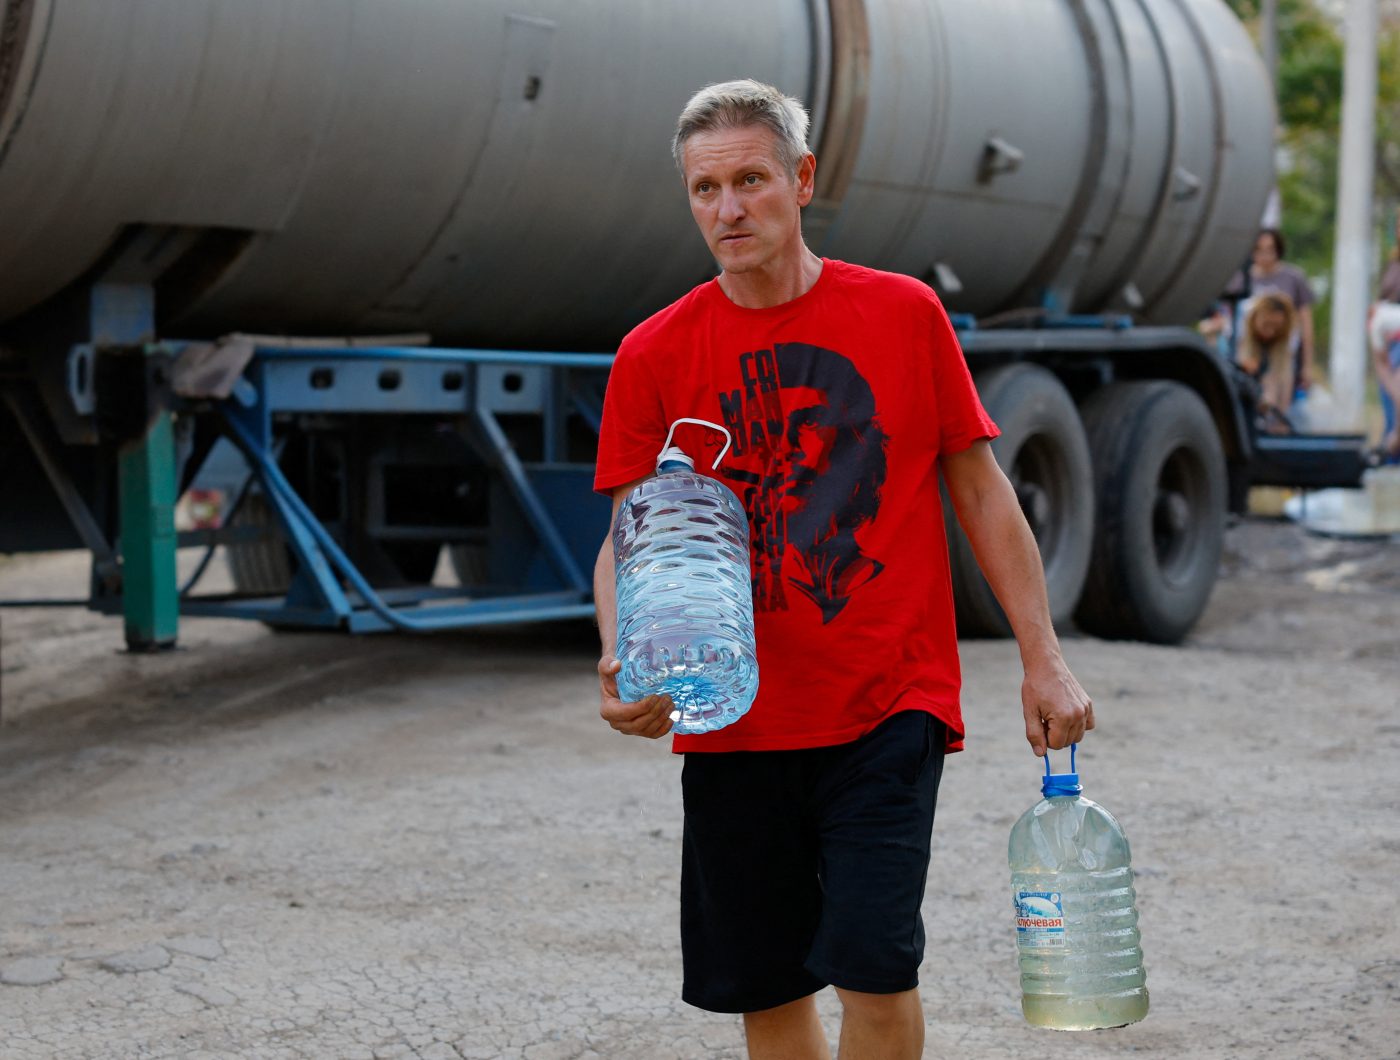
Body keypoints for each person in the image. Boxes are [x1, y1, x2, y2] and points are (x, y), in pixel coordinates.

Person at [590, 79, 1092, 1060]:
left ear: (801, 178)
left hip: (884, 699)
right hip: (730, 715)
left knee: (872, 961)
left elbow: (983, 495)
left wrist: (1043, 656)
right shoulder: (653, 353)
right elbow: (628, 535)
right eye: (704, 190)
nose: (727, 210)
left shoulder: (902, 316)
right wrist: (621, 652)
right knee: (766, 985)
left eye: (749, 180)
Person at [1248, 228, 1317, 393]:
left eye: (1270, 250)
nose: (1264, 256)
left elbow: (1306, 323)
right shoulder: (1243, 278)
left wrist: (1307, 365)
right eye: (1259, 250)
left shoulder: (1293, 278)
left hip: (1283, 350)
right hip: (1252, 348)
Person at [1236, 292, 1300, 433]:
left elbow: (1282, 371)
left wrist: (1280, 413)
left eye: (1276, 327)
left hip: (1273, 367)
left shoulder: (1290, 335)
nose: (1270, 332)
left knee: (1277, 378)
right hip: (1249, 352)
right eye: (1266, 325)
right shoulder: (1241, 319)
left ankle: (1277, 420)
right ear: (1255, 318)